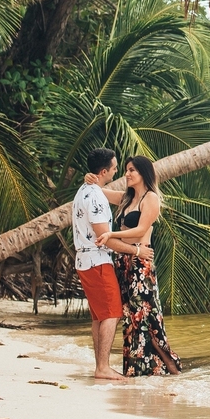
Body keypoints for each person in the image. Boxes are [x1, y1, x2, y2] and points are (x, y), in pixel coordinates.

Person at [90, 155, 182, 376]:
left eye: (132, 170)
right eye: (125, 170)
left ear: (144, 173)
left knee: (147, 319)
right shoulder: (126, 198)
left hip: (141, 264)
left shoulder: (151, 198)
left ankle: (174, 371)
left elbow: (141, 230)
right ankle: (136, 370)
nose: (127, 174)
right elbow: (98, 191)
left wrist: (112, 234)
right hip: (123, 263)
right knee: (131, 319)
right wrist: (90, 180)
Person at [72, 147, 151, 380]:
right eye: (116, 168)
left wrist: (92, 181)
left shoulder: (86, 190)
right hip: (96, 261)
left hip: (86, 260)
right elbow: (104, 238)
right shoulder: (94, 196)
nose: (119, 172)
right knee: (111, 314)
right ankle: (102, 367)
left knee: (99, 315)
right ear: (104, 170)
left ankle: (100, 366)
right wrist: (136, 250)